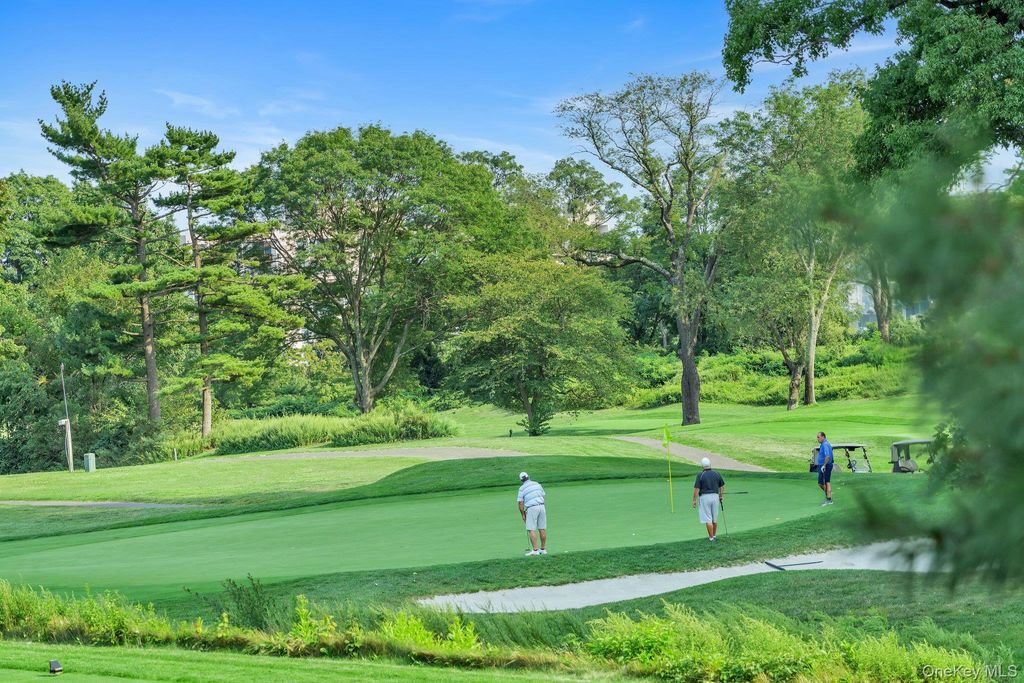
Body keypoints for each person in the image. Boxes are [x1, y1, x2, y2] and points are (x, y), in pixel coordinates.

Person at [691, 457, 725, 541]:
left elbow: (697, 489)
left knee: (708, 519)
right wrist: (721, 496)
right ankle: (714, 536)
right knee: (714, 518)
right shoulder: (717, 473)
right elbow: (722, 486)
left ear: (702, 466)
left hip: (705, 498)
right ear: (710, 464)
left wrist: (694, 500)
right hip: (715, 497)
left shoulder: (700, 475)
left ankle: (711, 538)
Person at [517, 472, 547, 556]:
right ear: (528, 477)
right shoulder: (537, 484)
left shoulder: (522, 488)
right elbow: (543, 496)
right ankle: (543, 549)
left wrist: (523, 514)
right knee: (542, 528)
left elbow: (520, 503)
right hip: (542, 506)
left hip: (532, 508)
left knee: (531, 529)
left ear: (521, 480)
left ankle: (535, 550)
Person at [816, 431, 834, 506]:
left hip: (826, 466)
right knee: (824, 482)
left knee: (823, 482)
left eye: (818, 437)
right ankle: (829, 496)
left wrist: (824, 465)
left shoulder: (825, 444)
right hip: (825, 465)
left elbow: (827, 456)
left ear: (823, 437)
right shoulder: (824, 444)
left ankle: (829, 498)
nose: (817, 439)